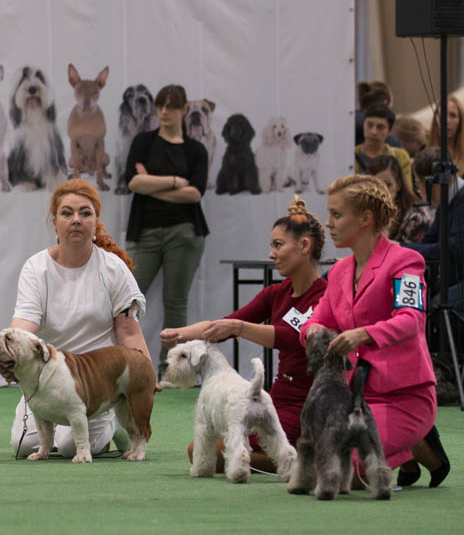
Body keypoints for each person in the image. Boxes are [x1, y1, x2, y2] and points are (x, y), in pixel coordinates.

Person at [159, 197, 327, 472]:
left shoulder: (326, 295)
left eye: (278, 245)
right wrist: (179, 334)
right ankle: (299, 458)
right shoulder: (276, 293)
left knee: (214, 451)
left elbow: (290, 337)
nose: (271, 254)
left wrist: (239, 328)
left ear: (305, 246)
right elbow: (223, 325)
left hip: (310, 401)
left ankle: (305, 460)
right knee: (200, 450)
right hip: (276, 396)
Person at [303, 174, 449, 488]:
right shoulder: (340, 271)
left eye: (337, 215)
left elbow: (411, 320)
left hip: (403, 396)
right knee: (324, 467)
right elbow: (317, 319)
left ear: (366, 219)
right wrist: (312, 331)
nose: (328, 223)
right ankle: (406, 448)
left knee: (348, 471)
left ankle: (417, 440)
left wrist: (363, 334)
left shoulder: (407, 261)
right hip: (354, 397)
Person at [8, 178, 150, 458]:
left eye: (85, 213)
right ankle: (116, 421)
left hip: (98, 380)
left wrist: (143, 377)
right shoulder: (35, 268)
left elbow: (129, 333)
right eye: (67, 213)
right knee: (23, 446)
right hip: (47, 375)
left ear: (96, 221)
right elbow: (23, 327)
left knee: (71, 446)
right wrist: (10, 353)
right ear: (55, 222)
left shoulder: (114, 268)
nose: (76, 220)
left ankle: (116, 415)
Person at [124, 83, 208, 374]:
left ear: (184, 110)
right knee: (128, 299)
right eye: (160, 106)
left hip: (185, 233)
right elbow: (133, 182)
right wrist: (174, 181)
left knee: (175, 304)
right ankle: (123, 367)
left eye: (171, 107)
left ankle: (171, 371)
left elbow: (195, 194)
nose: (163, 112)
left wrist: (151, 184)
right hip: (145, 232)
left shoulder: (195, 149)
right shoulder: (144, 142)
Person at [405, 146, 464, 310]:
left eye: (420, 184)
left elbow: (453, 249)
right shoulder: (445, 204)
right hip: (455, 279)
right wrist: (400, 250)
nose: (419, 192)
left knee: (437, 306)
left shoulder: (461, 201)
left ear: (437, 181)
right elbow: (429, 241)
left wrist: (402, 249)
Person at [366, 153, 432, 244]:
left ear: (399, 185)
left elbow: (408, 255)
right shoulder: (367, 212)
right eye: (375, 185)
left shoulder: (416, 216)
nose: (382, 191)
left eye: (388, 185)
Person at [355, 103, 413, 191]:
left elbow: (407, 191)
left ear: (390, 131)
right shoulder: (350, 156)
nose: (373, 131)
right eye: (369, 125)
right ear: (363, 125)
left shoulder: (400, 156)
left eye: (380, 127)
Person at [426, 94, 464, 176]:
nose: (446, 121)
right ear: (435, 118)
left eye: (453, 115)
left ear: (460, 121)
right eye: (442, 114)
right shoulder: (424, 154)